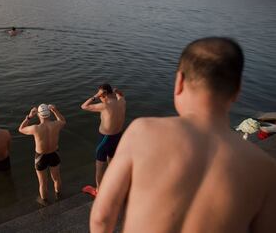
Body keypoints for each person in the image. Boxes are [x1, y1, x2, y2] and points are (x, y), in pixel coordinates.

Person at [90, 37, 276, 233]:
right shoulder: (265, 168)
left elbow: (102, 218)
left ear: (179, 82)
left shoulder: (142, 132)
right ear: (237, 91)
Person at [81, 83, 126, 195]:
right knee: (112, 161)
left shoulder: (105, 106)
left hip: (105, 139)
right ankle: (114, 184)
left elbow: (83, 106)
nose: (100, 98)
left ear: (104, 94)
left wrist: (95, 96)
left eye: (101, 95)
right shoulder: (122, 102)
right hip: (118, 137)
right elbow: (121, 95)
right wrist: (117, 91)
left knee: (99, 165)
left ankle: (98, 190)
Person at [19, 104, 66, 205]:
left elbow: (21, 129)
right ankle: (59, 197)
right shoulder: (56, 124)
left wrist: (29, 116)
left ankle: (44, 203)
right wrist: (55, 110)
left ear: (39, 116)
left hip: (41, 157)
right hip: (54, 154)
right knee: (57, 179)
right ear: (49, 115)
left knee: (42, 183)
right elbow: (63, 121)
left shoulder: (35, 128)